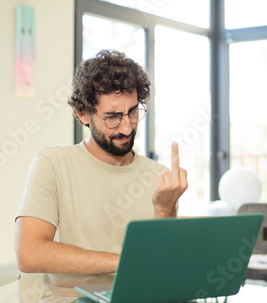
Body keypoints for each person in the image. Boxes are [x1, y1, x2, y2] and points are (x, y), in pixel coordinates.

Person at [15, 50, 188, 275]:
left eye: (133, 112)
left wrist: (164, 209)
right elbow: (30, 254)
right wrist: (128, 261)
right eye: (112, 117)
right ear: (84, 114)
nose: (127, 128)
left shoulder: (161, 179)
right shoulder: (53, 164)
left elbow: (161, 265)